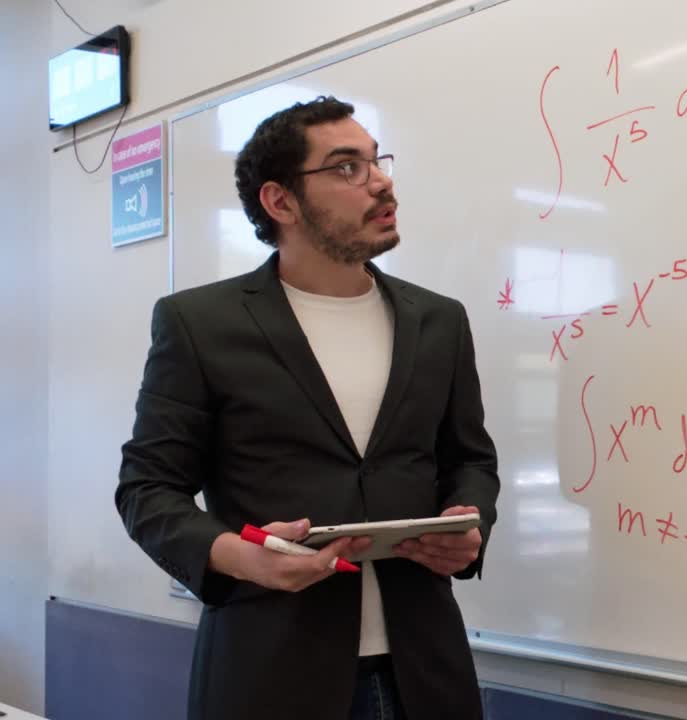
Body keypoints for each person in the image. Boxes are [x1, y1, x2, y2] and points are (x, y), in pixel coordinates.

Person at [115, 95, 500, 720]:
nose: (381, 182)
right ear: (281, 201)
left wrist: (470, 526)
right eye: (347, 167)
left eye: (377, 161)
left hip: (425, 672)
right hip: (269, 670)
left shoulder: (439, 320)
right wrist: (239, 557)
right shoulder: (199, 324)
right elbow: (147, 490)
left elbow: (471, 461)